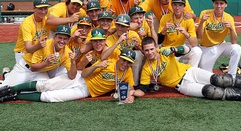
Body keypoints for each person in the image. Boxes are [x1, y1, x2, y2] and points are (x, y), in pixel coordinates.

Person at [137, 37, 241, 104]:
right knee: (213, 92)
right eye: (146, 50)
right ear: (143, 51)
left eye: (151, 49)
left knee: (220, 79)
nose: (149, 52)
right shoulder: (146, 69)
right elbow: (142, 90)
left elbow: (188, 49)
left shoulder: (164, 52)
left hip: (190, 72)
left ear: (156, 47)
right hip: (183, 86)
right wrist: (131, 93)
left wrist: (173, 49)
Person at [0, 46, 143, 103]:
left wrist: (132, 95)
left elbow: (132, 89)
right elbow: (85, 74)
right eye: (124, 60)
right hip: (79, 80)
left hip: (85, 91)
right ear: (119, 58)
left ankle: (14, 96)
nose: (125, 64)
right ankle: (9, 89)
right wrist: (97, 65)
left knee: (51, 98)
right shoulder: (108, 63)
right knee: (47, 85)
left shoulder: (128, 72)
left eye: (129, 62)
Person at [1, 25, 77, 86]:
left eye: (65, 39)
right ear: (54, 37)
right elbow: (33, 68)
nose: (62, 41)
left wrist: (73, 62)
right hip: (25, 68)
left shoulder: (67, 52)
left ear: (68, 40)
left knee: (45, 88)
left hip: (41, 72)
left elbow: (72, 76)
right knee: (5, 88)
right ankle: (7, 75)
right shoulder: (44, 45)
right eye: (60, 37)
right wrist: (46, 63)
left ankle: (8, 75)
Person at [197, 0, 241, 77]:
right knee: (207, 76)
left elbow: (234, 41)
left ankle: (232, 76)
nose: (218, 6)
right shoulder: (205, 13)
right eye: (216, 3)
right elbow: (199, 36)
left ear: (226, 5)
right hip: (206, 48)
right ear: (213, 4)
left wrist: (231, 29)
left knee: (237, 48)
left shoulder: (228, 17)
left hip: (221, 46)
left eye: (221, 3)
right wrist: (201, 22)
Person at [158, 0, 202, 66]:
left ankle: (190, 74)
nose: (177, 8)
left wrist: (186, 33)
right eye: (175, 5)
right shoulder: (165, 18)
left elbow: (195, 44)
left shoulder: (188, 20)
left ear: (184, 6)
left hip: (181, 49)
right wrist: (164, 30)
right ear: (171, 6)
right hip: (168, 50)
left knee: (197, 51)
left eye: (180, 5)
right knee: (170, 74)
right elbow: (158, 41)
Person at [100, 14, 143, 86]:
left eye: (123, 26)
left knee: (138, 55)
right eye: (118, 25)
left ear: (128, 27)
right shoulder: (111, 38)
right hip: (115, 64)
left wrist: (139, 46)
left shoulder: (133, 35)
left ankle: (134, 85)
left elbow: (145, 53)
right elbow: (103, 57)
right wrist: (118, 42)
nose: (120, 28)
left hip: (127, 63)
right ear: (115, 25)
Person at [13, 0, 51, 64]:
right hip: (23, 53)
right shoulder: (27, 23)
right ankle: (6, 74)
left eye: (45, 8)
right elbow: (28, 49)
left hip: (38, 51)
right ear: (34, 8)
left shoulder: (47, 20)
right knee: (28, 73)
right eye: (40, 9)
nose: (43, 11)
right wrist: (38, 45)